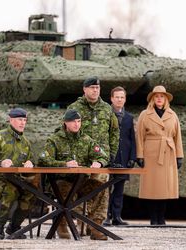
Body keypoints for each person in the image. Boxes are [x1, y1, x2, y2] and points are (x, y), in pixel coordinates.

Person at [38, 109, 109, 240]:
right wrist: (64, 164)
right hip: (60, 181)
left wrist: (99, 162)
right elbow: (43, 159)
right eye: (73, 121)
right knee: (64, 188)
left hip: (81, 181)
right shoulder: (55, 140)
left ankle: (95, 227)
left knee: (101, 188)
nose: (76, 124)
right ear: (65, 123)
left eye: (78, 121)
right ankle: (61, 224)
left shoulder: (86, 140)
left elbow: (103, 156)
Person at [67, 77, 119, 231]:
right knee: (77, 189)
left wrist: (111, 154)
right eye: (91, 87)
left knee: (100, 191)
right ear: (84, 89)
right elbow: (65, 132)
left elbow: (114, 132)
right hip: (80, 159)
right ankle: (80, 223)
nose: (95, 90)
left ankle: (96, 225)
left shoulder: (106, 109)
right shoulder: (74, 108)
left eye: (97, 88)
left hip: (100, 160)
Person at [0, 107, 36, 239]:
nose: (22, 123)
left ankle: (14, 227)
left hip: (15, 179)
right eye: (19, 120)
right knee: (10, 191)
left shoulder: (25, 143)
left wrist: (30, 163)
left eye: (24, 120)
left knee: (31, 193)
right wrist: (0, 163)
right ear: (11, 120)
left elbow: (31, 159)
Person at [136, 85, 184, 225]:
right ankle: (153, 218)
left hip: (168, 153)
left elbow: (178, 137)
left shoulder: (172, 114)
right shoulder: (145, 114)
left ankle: (161, 218)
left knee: (165, 188)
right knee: (152, 187)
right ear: (152, 99)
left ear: (165, 99)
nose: (159, 99)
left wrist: (179, 156)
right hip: (151, 153)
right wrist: (140, 155)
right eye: (156, 96)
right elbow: (139, 136)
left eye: (162, 96)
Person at [103, 86, 136, 226]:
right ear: (111, 98)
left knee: (119, 189)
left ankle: (117, 216)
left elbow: (132, 139)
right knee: (105, 190)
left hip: (123, 158)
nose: (119, 99)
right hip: (108, 158)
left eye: (122, 97)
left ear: (125, 99)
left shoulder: (129, 117)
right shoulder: (105, 115)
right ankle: (105, 216)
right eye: (117, 97)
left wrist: (132, 157)